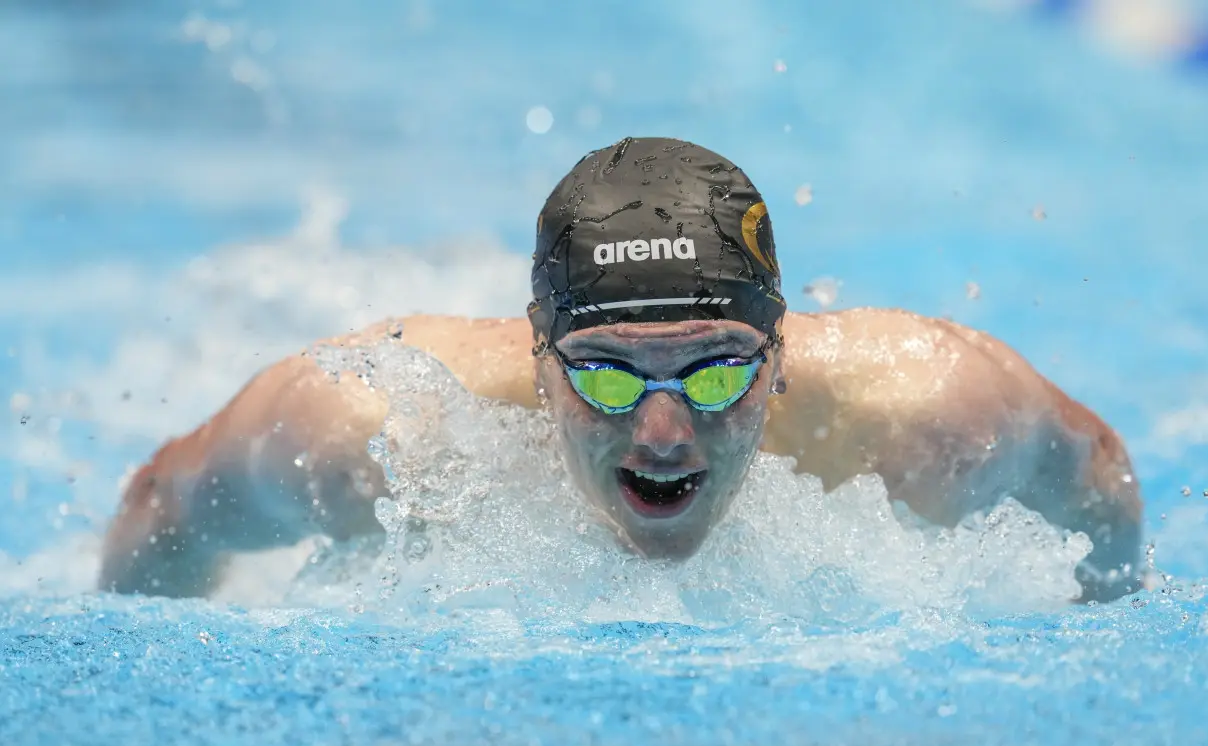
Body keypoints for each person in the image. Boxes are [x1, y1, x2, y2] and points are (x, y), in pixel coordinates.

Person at [98, 137, 1144, 602]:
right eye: (605, 377)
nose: (661, 433)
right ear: (536, 359)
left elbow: (1101, 476)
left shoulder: (935, 416)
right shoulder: (369, 428)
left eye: (718, 374)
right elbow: (165, 501)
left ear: (779, 357)